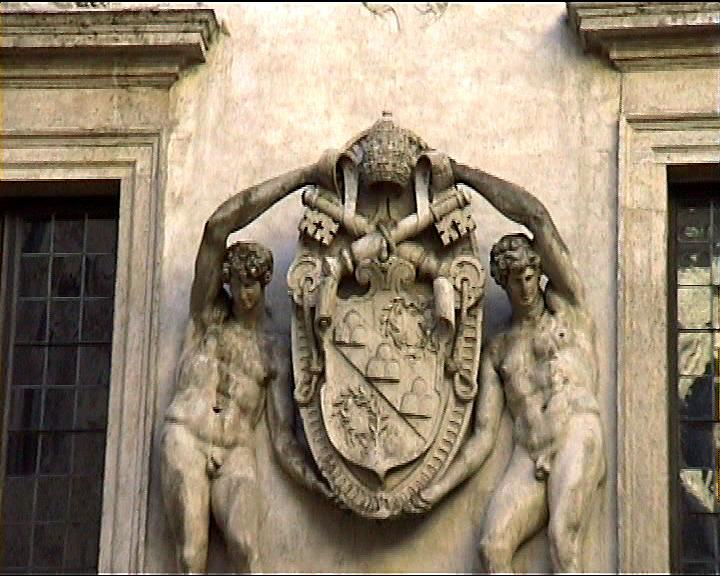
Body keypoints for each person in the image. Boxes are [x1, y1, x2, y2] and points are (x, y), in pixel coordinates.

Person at [420, 159, 606, 573]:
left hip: (576, 431)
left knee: (563, 538)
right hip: (529, 452)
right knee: (493, 547)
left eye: (528, 276)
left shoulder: (570, 309)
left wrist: (462, 175)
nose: (524, 287)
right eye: (513, 279)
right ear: (502, 283)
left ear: (539, 273)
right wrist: (437, 488)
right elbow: (482, 438)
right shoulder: (500, 349)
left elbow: (535, 215)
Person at [160, 162, 331, 574]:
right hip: (187, 437)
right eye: (236, 285)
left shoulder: (272, 349)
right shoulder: (207, 318)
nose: (243, 295)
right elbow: (217, 227)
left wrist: (316, 479)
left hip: (236, 450)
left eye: (251, 285)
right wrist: (302, 177)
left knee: (247, 549)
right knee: (191, 554)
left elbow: (283, 438)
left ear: (263, 283)